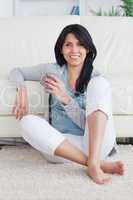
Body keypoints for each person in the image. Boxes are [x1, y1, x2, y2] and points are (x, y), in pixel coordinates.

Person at [8, 24, 124, 185]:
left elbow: (88, 126)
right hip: (62, 148)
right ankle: (95, 164)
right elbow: (16, 71)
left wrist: (65, 98)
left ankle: (94, 160)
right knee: (26, 122)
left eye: (80, 44)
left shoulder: (95, 77)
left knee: (100, 84)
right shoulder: (52, 70)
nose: (74, 50)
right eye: (68, 45)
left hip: (96, 144)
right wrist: (21, 89)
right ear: (61, 49)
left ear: (88, 49)